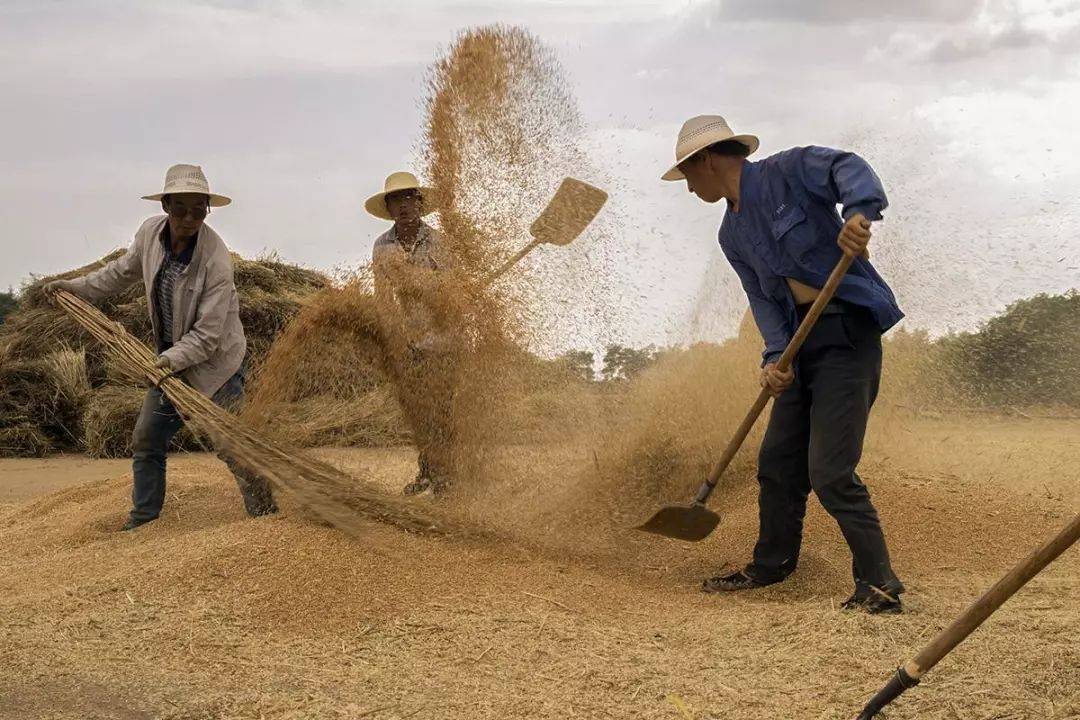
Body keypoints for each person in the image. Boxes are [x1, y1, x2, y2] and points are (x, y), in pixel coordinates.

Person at [661, 115, 905, 614]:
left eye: (687, 177)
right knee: (776, 465)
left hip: (845, 335)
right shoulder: (731, 233)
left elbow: (847, 166)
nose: (688, 190)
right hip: (799, 346)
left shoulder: (788, 171)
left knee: (830, 471)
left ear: (706, 160)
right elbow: (763, 300)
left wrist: (859, 213)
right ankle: (771, 566)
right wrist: (774, 357)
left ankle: (879, 584)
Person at [46, 164, 277, 530]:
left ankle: (267, 517)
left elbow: (208, 335)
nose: (189, 218)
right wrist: (76, 288)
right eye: (181, 208)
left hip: (216, 364)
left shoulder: (215, 258)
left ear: (207, 210)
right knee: (147, 437)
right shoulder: (149, 235)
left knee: (233, 446)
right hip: (168, 362)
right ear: (166, 205)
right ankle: (143, 521)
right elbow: (119, 272)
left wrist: (166, 361)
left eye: (198, 209)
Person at [366, 171, 457, 496]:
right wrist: (393, 336)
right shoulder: (383, 246)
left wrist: (415, 280)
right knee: (419, 412)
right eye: (396, 200)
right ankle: (428, 473)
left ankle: (447, 479)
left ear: (419, 203)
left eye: (409, 198)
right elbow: (382, 296)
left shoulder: (440, 242)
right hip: (407, 341)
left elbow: (449, 289)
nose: (403, 205)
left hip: (444, 339)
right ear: (388, 208)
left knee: (442, 410)